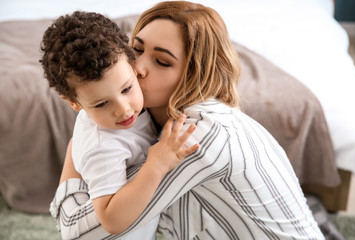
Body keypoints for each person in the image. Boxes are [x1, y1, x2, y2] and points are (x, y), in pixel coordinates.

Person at [50, 1, 325, 239]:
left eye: (162, 61)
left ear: (194, 74)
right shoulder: (152, 119)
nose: (139, 68)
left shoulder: (194, 136)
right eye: (137, 49)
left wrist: (79, 141)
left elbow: (79, 230)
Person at [40, 11, 199, 240]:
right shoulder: (103, 148)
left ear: (133, 66)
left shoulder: (125, 101)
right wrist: (155, 165)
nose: (124, 109)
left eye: (126, 89)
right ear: (75, 103)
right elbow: (111, 220)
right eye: (102, 104)